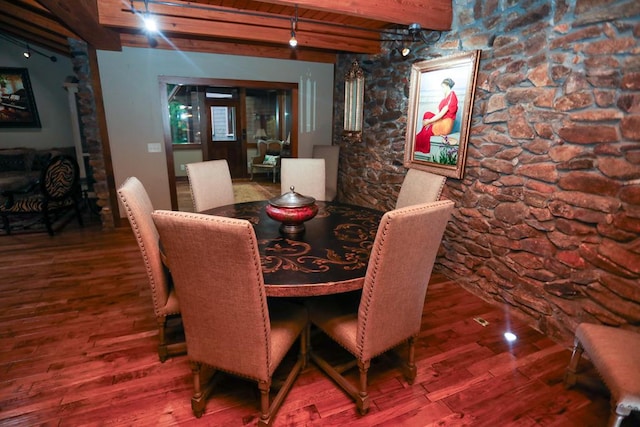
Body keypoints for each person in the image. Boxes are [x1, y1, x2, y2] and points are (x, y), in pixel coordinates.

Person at [415, 78, 458, 153]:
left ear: (448, 86)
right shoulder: (444, 99)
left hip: (446, 123)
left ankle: (423, 142)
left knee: (429, 123)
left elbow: (442, 114)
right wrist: (431, 121)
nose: (442, 89)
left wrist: (430, 121)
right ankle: (422, 137)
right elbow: (437, 113)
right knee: (427, 114)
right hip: (441, 120)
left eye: (443, 87)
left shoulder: (452, 96)